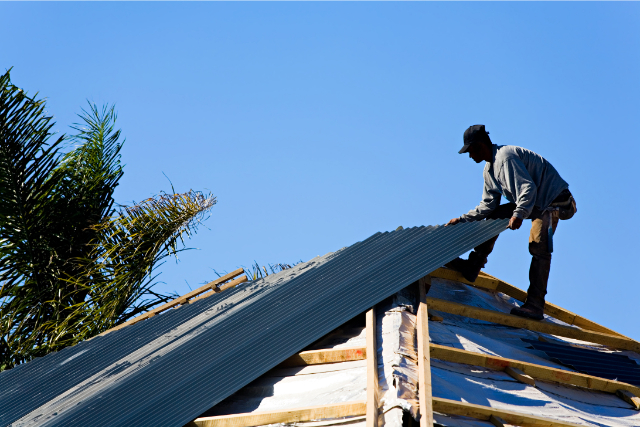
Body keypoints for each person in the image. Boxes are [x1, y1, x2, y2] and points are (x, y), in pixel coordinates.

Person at [445, 125, 577, 320]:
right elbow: (488, 205)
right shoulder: (489, 170)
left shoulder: (505, 158)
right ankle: (473, 266)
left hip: (555, 200)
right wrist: (463, 219)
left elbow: (527, 189)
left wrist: (519, 214)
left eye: (470, 150)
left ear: (480, 145)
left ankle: (535, 305)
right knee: (496, 215)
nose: (469, 155)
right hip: (535, 201)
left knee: (539, 245)